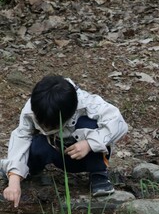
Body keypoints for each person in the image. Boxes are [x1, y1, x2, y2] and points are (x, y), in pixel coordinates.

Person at [2, 75, 128, 207]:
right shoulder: (34, 107)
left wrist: (90, 144)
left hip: (83, 154)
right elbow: (21, 136)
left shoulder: (87, 102)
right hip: (55, 149)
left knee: (89, 124)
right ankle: (21, 171)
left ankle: (98, 173)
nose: (46, 128)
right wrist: (14, 180)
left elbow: (118, 123)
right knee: (37, 144)